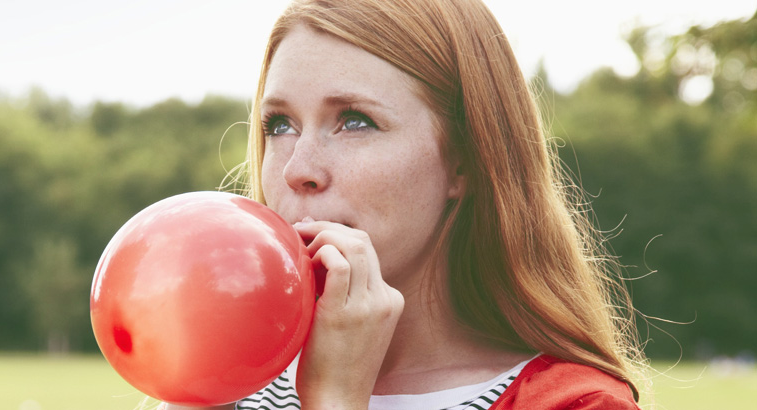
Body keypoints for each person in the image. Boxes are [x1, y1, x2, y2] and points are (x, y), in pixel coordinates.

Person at [165, 0, 648, 408]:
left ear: (465, 160)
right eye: (280, 125)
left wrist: (335, 398)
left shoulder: (571, 402)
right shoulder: (225, 383)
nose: (297, 168)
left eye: (354, 121)